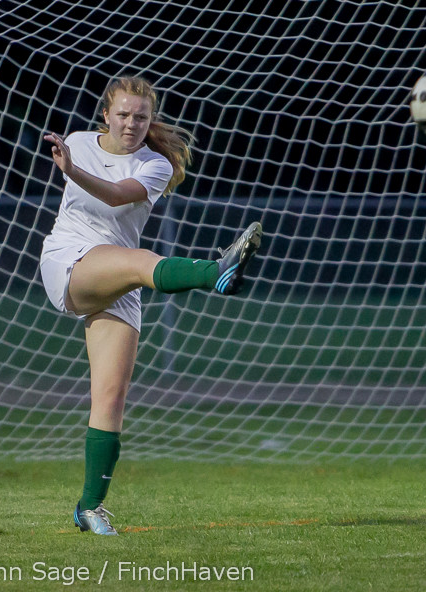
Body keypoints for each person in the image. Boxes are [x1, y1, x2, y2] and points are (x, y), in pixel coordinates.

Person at [39, 75, 262, 536]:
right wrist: (72, 166)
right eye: (122, 114)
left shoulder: (155, 165)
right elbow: (98, 197)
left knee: (111, 397)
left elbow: (118, 196)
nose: (131, 123)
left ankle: (89, 508)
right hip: (70, 261)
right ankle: (215, 271)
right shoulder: (77, 143)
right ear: (105, 114)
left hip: (120, 278)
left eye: (141, 117)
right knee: (142, 261)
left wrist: (72, 171)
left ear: (150, 120)